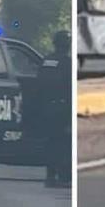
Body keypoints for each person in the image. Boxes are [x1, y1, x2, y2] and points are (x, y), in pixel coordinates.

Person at [37, 30, 72, 187]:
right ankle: (62, 177)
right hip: (62, 108)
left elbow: (38, 85)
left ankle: (50, 176)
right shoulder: (67, 63)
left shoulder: (45, 61)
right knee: (62, 144)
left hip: (46, 108)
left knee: (50, 143)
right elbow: (69, 88)